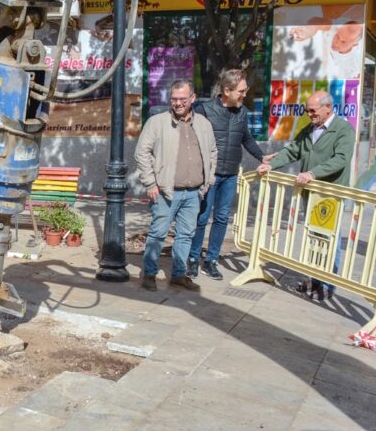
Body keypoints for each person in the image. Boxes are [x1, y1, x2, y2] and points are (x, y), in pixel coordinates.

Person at [256, 90, 354, 300]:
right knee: (314, 237)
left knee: (329, 238)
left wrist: (312, 174)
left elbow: (341, 159)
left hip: (329, 193)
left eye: (313, 110)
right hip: (311, 193)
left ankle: (327, 284)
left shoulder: (343, 129)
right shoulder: (309, 129)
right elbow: (293, 151)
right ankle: (314, 279)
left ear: (328, 108)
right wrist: (271, 165)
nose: (309, 115)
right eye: (307, 111)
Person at [135, 79, 217, 292]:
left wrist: (208, 181)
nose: (178, 103)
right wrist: (151, 183)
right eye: (174, 99)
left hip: (193, 193)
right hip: (165, 192)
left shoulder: (204, 124)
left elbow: (212, 152)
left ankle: (179, 275)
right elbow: (141, 153)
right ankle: (149, 274)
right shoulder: (157, 122)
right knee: (157, 234)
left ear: (193, 98)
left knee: (186, 235)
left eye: (183, 99)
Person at [187, 70, 267, 280]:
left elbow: (246, 139)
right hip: (209, 175)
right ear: (227, 90)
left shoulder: (242, 112)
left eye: (245, 90)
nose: (244, 94)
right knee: (201, 217)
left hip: (230, 174)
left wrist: (262, 156)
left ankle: (211, 261)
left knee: (222, 218)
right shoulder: (204, 109)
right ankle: (193, 258)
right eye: (241, 91)